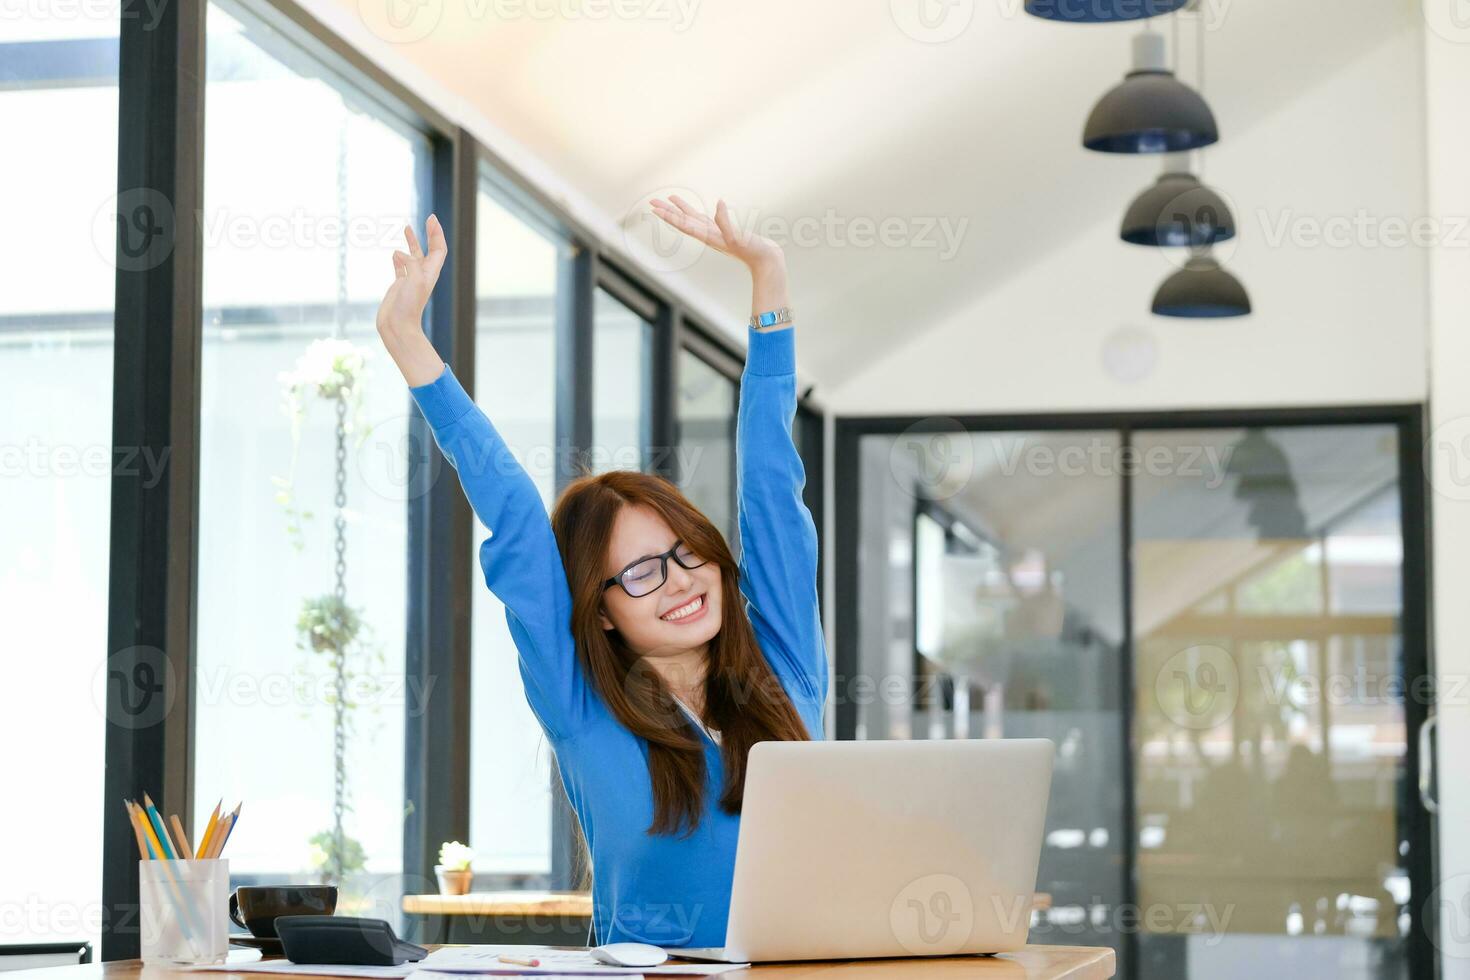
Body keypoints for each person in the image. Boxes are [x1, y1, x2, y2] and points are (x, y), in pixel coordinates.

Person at [374, 196, 828, 948]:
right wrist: (409, 346)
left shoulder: (786, 668)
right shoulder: (580, 703)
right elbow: (517, 517)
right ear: (603, 609)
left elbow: (773, 491)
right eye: (644, 571)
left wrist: (768, 280)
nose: (682, 579)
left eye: (689, 552)